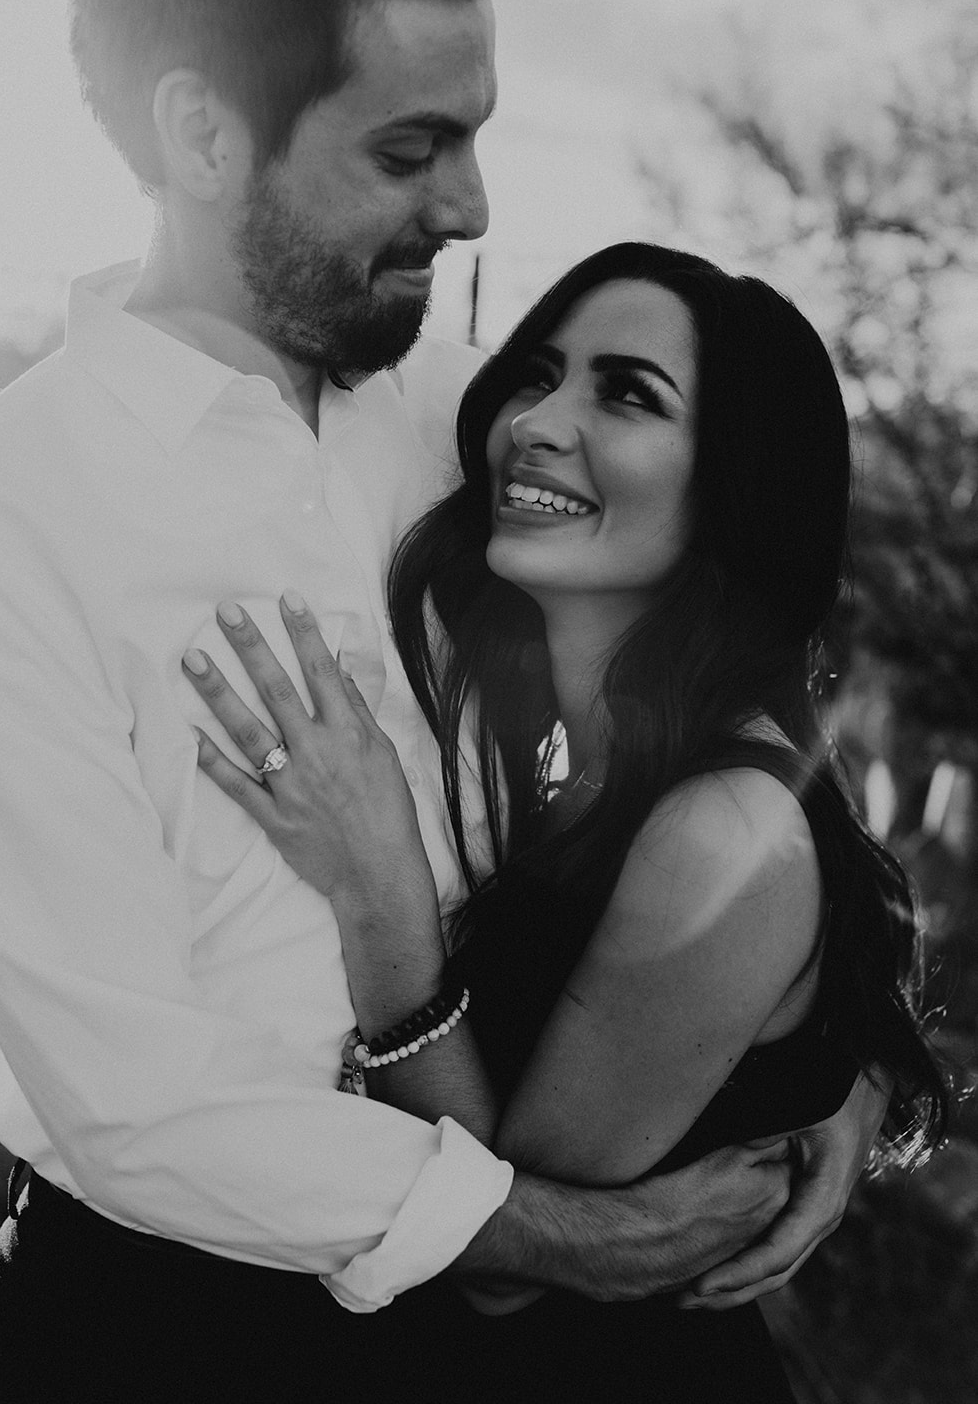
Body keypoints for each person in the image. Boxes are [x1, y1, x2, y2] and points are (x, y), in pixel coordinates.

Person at [0, 0, 884, 1398]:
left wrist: (795, 1066)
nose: (473, 208)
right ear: (203, 136)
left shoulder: (464, 422)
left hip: (499, 1294)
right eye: (407, 150)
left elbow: (716, 684)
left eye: (476, 133)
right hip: (167, 1327)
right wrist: (558, 1235)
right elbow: (139, 1104)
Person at [187, 242, 948, 1402]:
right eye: (537, 374)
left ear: (734, 483)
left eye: (627, 394)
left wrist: (379, 898)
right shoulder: (578, 764)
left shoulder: (719, 824)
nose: (537, 421)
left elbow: (499, 1268)